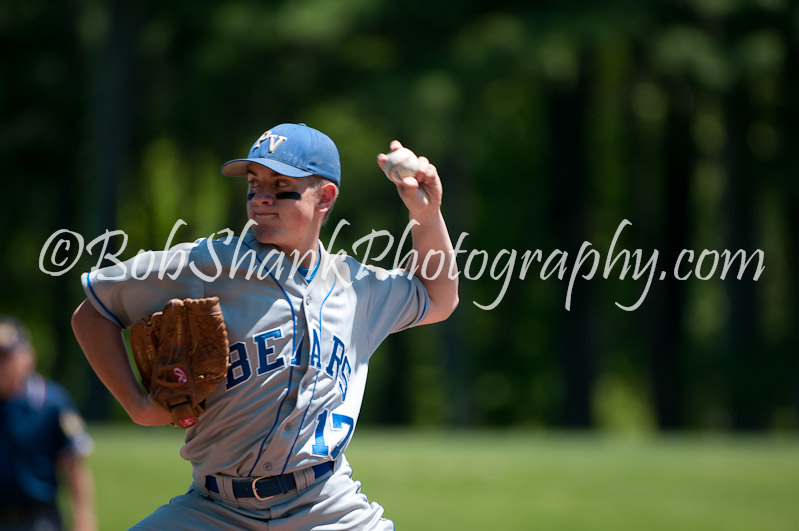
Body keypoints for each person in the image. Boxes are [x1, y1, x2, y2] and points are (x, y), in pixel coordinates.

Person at [71, 122, 459, 530]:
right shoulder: (206, 265)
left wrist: (426, 213)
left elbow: (437, 297)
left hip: (326, 506)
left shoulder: (357, 287)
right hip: (214, 509)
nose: (261, 198)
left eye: (280, 185)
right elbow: (93, 312)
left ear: (325, 197)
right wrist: (138, 406)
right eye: (254, 184)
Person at [0, 316, 96, 531]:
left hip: (38, 519)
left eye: (5, 357)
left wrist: (83, 519)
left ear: (27, 357)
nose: (1, 366)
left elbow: (73, 464)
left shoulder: (50, 401)